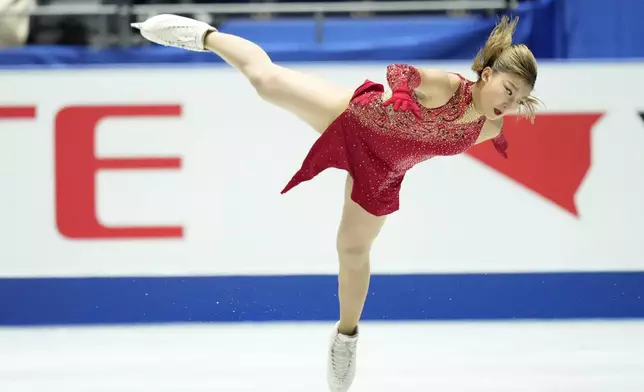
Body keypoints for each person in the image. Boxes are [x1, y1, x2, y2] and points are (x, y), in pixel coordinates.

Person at [132, 13, 539, 392]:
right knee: (266, 82)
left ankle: (346, 338)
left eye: (519, 98)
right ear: (486, 74)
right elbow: (404, 72)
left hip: (383, 170)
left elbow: (436, 138)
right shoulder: (450, 87)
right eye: (508, 89)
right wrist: (400, 92)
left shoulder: (491, 126)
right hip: (354, 119)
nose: (510, 102)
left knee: (352, 249)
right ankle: (205, 35)